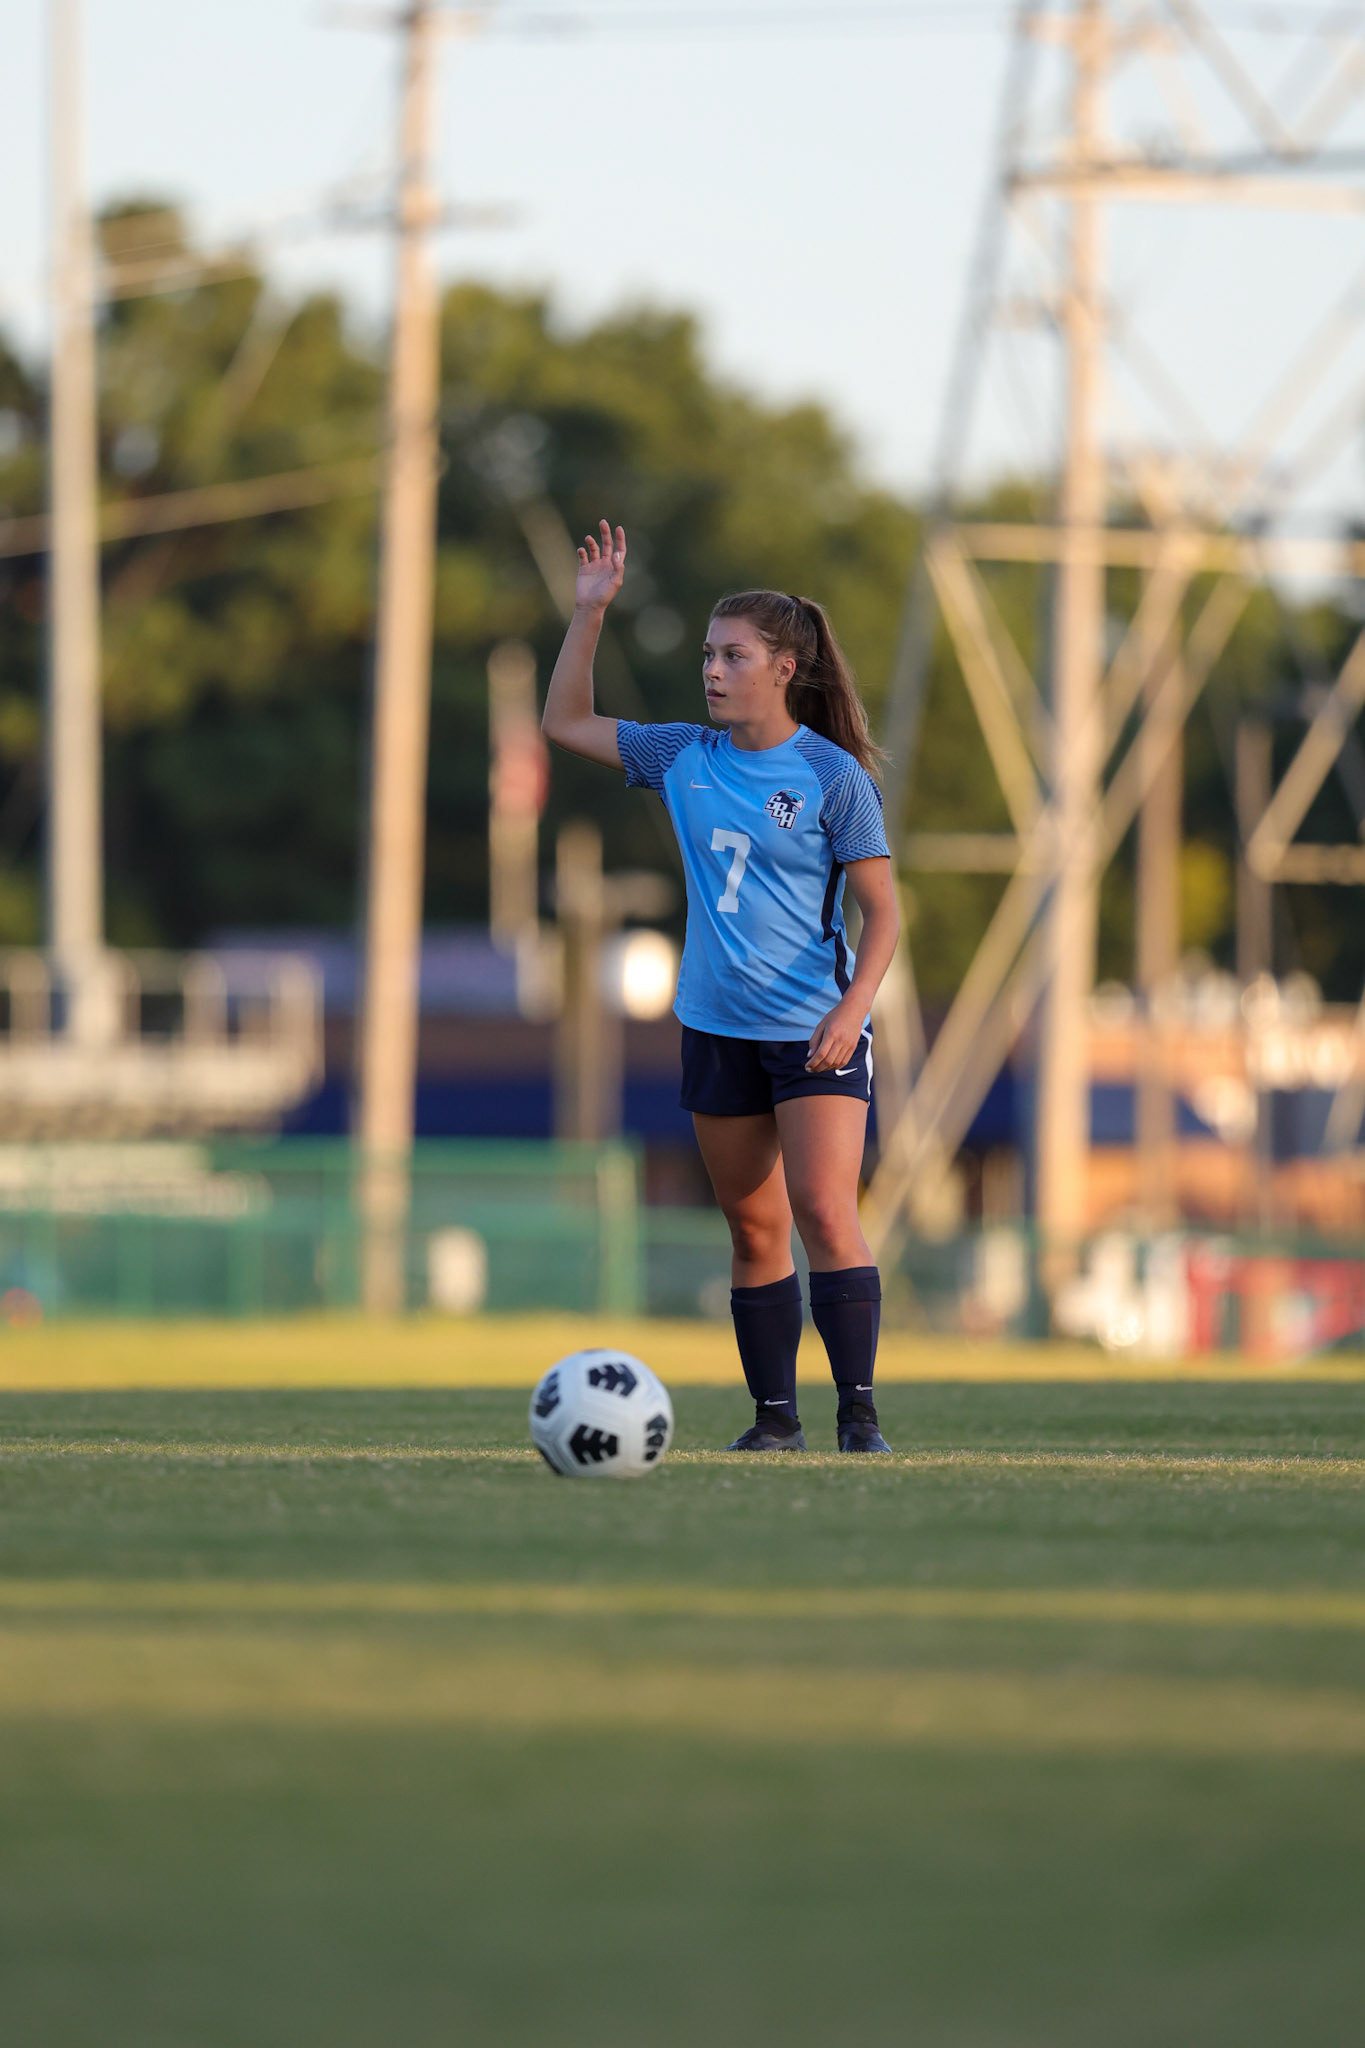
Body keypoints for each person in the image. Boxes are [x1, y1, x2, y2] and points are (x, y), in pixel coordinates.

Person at [542, 521, 900, 1453]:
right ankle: (773, 1421)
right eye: (707, 654)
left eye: (732, 654)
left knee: (825, 1211)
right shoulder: (682, 756)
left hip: (811, 1027)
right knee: (751, 1228)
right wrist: (589, 614)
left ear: (785, 668)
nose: (712, 669)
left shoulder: (832, 777)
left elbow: (884, 915)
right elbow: (564, 724)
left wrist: (850, 1010)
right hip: (714, 1025)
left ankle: (857, 1415)